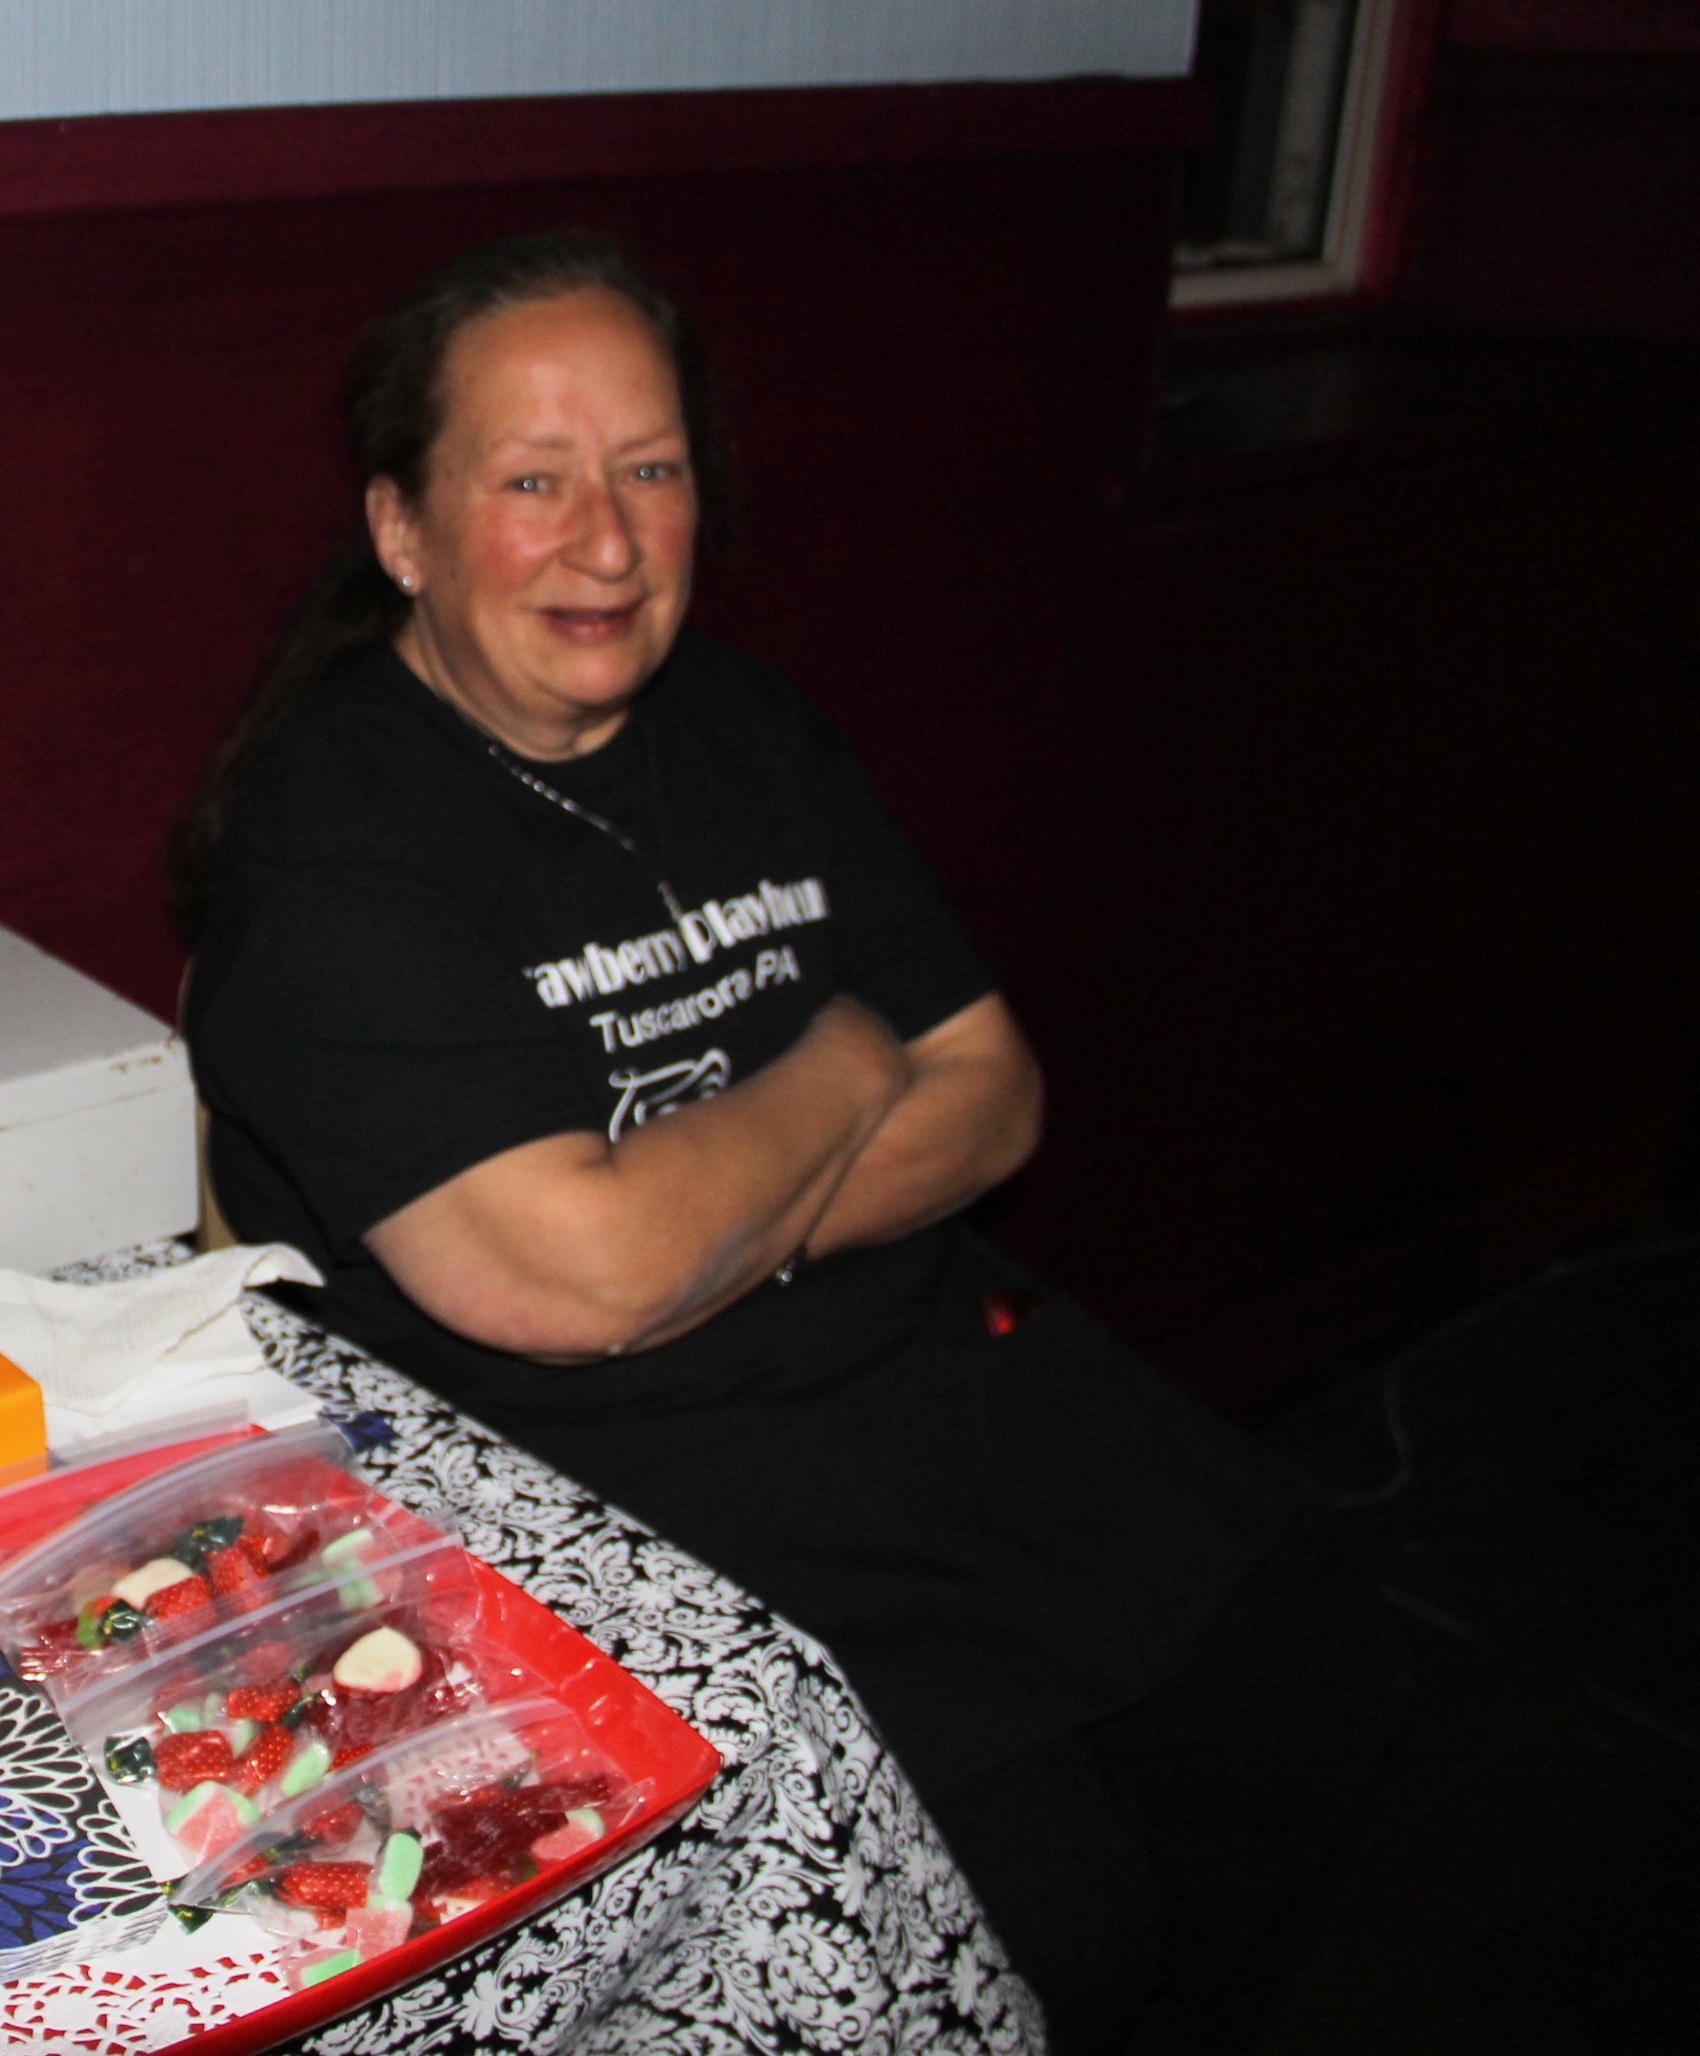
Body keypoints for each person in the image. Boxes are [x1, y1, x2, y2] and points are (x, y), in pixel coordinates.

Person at [176, 231, 1408, 2055]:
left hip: (899, 1366)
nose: (609, 543)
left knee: (1312, 1677)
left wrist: (708, 1218)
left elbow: (995, 1093)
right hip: (601, 1470)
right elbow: (578, 1284)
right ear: (403, 529)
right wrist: (838, 1062)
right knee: (1048, 1906)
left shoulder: (749, 728)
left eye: (651, 469)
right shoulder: (331, 841)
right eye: (533, 481)